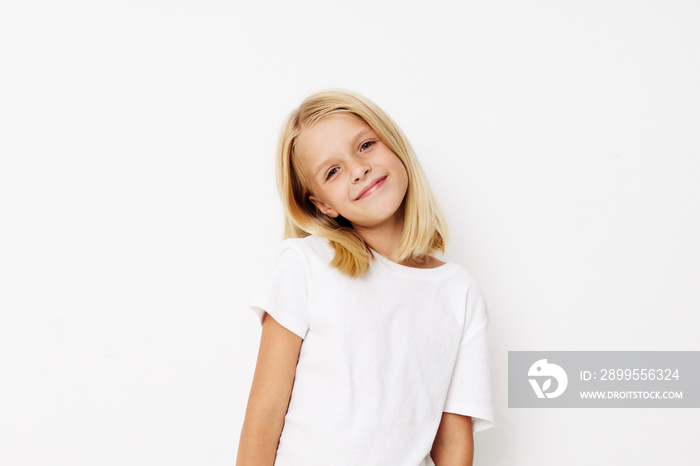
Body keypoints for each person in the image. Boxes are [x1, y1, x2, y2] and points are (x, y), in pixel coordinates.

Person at [236, 89, 495, 466]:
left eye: (366, 145)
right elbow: (264, 416)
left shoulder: (459, 292)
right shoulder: (306, 265)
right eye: (333, 171)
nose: (359, 169)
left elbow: (452, 443)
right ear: (322, 204)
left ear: (393, 144)